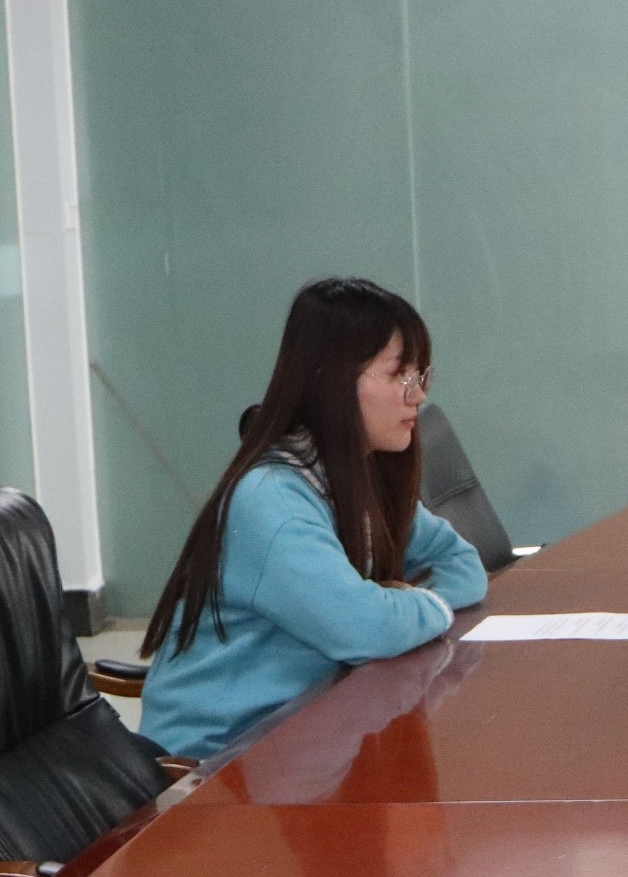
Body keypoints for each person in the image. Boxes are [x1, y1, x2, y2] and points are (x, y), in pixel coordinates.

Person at [141, 278, 489, 761]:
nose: (418, 396)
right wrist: (417, 607)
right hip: (221, 760)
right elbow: (365, 629)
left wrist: (407, 605)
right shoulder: (272, 500)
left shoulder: (355, 476)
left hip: (311, 731)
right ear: (333, 382)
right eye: (399, 375)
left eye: (420, 375)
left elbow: (464, 566)